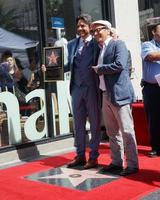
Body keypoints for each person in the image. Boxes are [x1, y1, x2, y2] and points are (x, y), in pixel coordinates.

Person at [91, 20, 139, 176]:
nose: (95, 33)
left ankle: (132, 165)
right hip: (106, 94)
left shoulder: (119, 45)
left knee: (126, 130)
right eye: (94, 31)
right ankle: (116, 163)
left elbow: (119, 64)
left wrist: (100, 69)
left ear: (107, 30)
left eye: (98, 30)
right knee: (112, 132)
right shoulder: (99, 49)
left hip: (120, 94)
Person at [141, 23, 160, 157]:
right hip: (152, 88)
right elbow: (151, 56)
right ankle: (156, 147)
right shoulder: (147, 45)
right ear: (154, 32)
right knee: (154, 119)